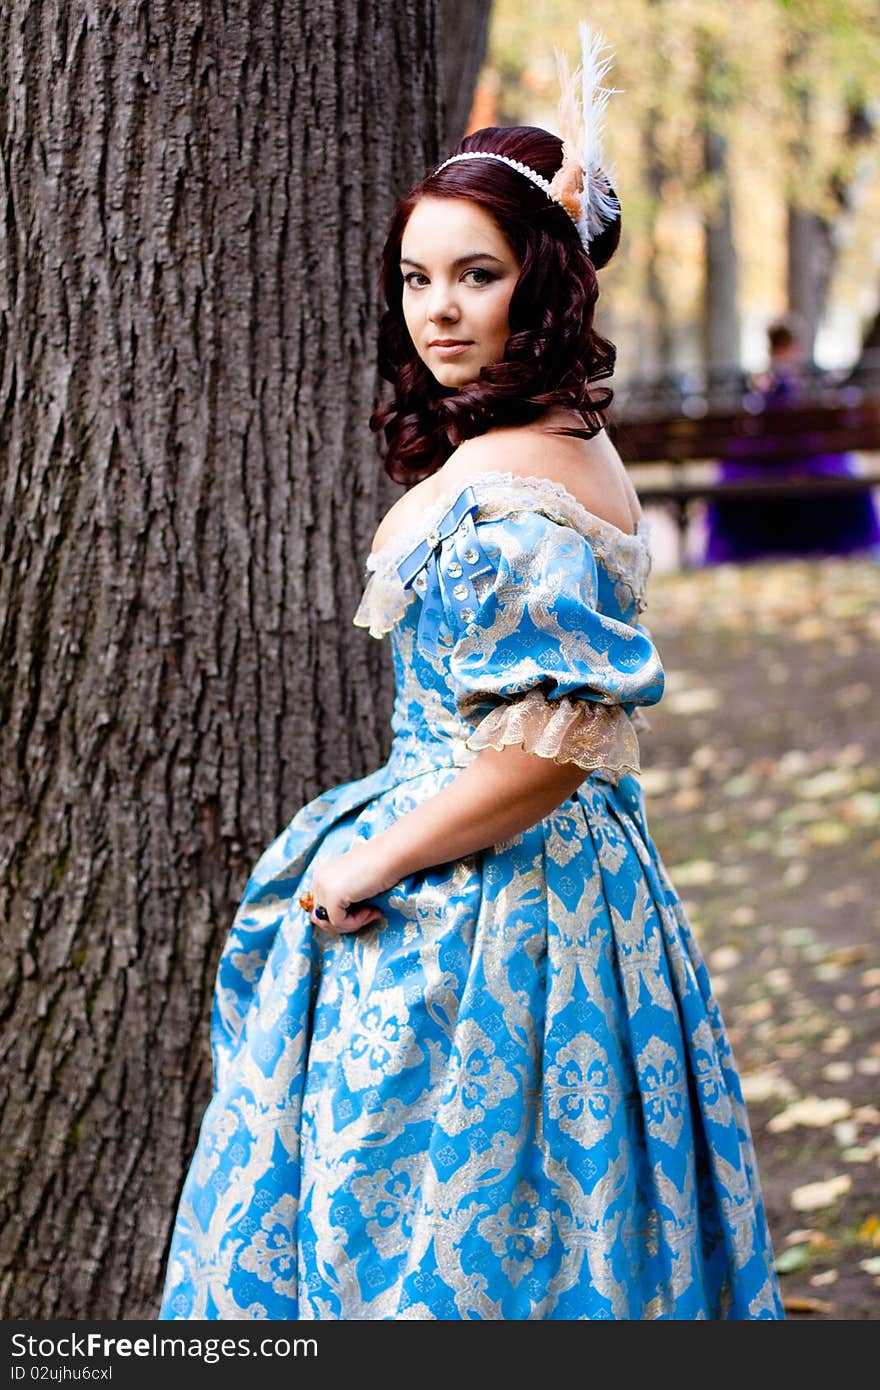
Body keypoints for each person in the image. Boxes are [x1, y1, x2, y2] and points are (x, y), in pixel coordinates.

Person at [158, 29, 783, 1321]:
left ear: (542, 283)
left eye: (477, 276)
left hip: (496, 910)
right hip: (571, 893)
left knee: (450, 1241)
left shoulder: (515, 490)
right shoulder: (559, 450)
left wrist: (366, 863)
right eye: (416, 277)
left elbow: (550, 749)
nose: (437, 309)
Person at [702, 317, 880, 563]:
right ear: (792, 346)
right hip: (797, 462)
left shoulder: (765, 386)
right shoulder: (799, 383)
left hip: (767, 464)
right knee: (844, 471)